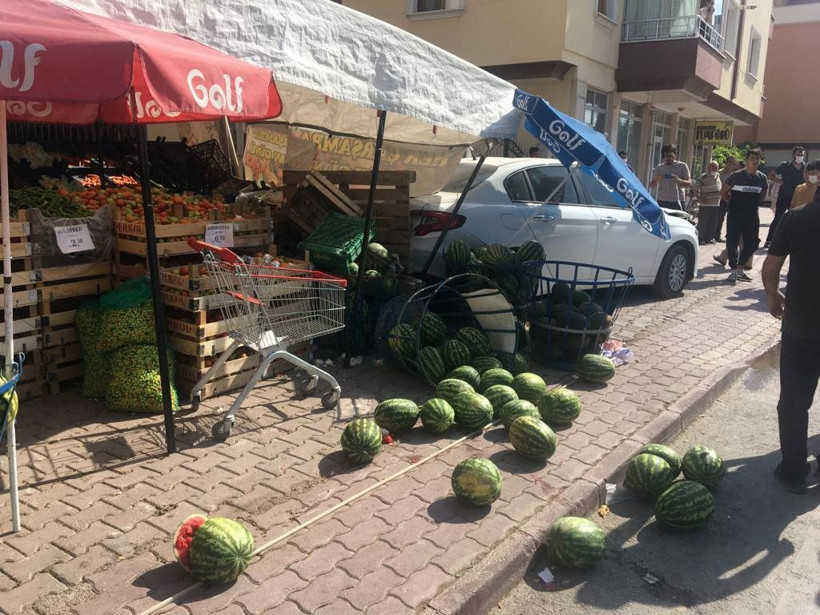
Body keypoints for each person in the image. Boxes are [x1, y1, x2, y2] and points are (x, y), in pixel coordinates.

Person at [761, 160, 820, 494]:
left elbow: (770, 268)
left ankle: (794, 470)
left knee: (794, 403)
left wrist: (773, 296)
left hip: (801, 326)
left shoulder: (795, 218)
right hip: (802, 326)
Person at [721, 148, 768, 283]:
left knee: (753, 243)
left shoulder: (762, 177)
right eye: (752, 158)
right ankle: (733, 271)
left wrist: (752, 205)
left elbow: (763, 195)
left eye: (757, 158)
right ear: (747, 160)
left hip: (752, 214)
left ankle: (740, 268)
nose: (755, 161)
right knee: (732, 242)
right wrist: (733, 204)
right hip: (735, 214)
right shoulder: (736, 176)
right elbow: (723, 193)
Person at [765, 146, 806, 248]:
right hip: (784, 196)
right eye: (798, 154)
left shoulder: (806, 167)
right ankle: (769, 240)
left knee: (796, 219)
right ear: (793, 155)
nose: (800, 156)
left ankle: (793, 241)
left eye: (802, 154)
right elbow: (771, 175)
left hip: (798, 197)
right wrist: (781, 182)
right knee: (778, 218)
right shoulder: (785, 166)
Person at [649, 144, 692, 210]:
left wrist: (678, 180)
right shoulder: (659, 167)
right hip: (662, 201)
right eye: (666, 156)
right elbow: (651, 185)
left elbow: (689, 184)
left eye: (670, 156)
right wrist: (658, 178)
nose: (668, 158)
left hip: (678, 200)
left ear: (675, 155)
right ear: (663, 157)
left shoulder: (682, 166)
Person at [694, 160, 722, 244]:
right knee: (703, 223)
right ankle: (700, 238)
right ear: (708, 167)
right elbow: (695, 187)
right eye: (713, 166)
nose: (715, 168)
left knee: (712, 223)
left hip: (716, 204)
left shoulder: (718, 176)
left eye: (716, 166)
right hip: (706, 204)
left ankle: (709, 238)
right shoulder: (704, 176)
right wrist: (699, 197)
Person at [713, 155, 739, 242]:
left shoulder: (736, 174)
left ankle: (729, 236)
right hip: (721, 198)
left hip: (733, 199)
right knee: (719, 218)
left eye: (733, 162)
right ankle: (715, 236)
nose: (731, 164)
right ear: (726, 162)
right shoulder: (719, 173)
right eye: (729, 162)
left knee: (731, 219)